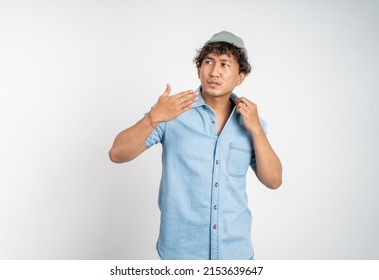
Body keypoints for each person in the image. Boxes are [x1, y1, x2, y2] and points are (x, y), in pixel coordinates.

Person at [109, 31, 282, 260]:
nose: (214, 71)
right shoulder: (172, 112)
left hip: (236, 254)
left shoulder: (251, 121)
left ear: (240, 76)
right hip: (181, 255)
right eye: (208, 62)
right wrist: (153, 117)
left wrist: (257, 130)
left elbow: (274, 181)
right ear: (198, 69)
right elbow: (117, 154)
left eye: (224, 64)